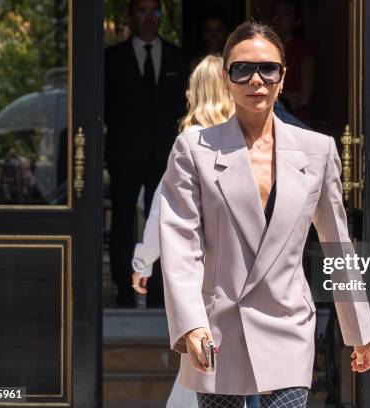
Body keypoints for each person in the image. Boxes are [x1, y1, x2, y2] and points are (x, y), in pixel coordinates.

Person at [157, 21, 370, 408]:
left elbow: (337, 242)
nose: (255, 80)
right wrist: (191, 323)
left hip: (287, 323)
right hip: (218, 328)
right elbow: (180, 246)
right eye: (242, 69)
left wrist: (359, 329)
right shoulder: (193, 151)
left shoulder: (318, 150)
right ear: (226, 77)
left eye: (268, 69)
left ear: (283, 75)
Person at [131, 54, 235, 408]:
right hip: (240, 271)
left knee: (200, 367)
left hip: (200, 271)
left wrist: (143, 260)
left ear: (196, 93)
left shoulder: (191, 141)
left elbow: (165, 210)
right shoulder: (247, 139)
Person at [104, 0, 187, 307]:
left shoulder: (178, 57)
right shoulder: (112, 59)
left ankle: (158, 291)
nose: (149, 18)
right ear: (131, 16)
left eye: (155, 11)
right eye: (142, 11)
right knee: (123, 222)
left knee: (165, 222)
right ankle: (124, 289)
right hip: (125, 154)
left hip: (166, 155)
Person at [270, 0, 315, 121]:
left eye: (286, 15)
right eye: (276, 14)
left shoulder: (304, 50)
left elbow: (304, 98)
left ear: (297, 21)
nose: (279, 19)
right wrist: (284, 96)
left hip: (296, 119)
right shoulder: (266, 48)